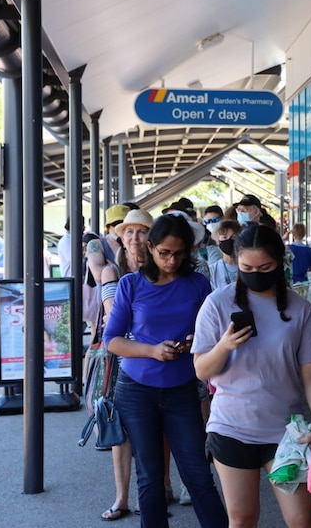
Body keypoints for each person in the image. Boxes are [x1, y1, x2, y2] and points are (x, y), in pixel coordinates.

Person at [193, 223, 311, 528]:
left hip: (287, 431)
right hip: (232, 426)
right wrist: (224, 346)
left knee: (302, 519)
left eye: (265, 266)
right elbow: (201, 370)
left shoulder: (300, 309)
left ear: (280, 262)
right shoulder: (217, 304)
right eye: (246, 267)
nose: (255, 273)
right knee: (242, 519)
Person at [104, 214, 228, 528]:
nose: (172, 260)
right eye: (164, 253)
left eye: (179, 253)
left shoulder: (198, 284)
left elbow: (211, 331)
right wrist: (152, 350)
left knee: (198, 474)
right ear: (151, 248)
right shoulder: (130, 284)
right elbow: (112, 341)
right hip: (136, 390)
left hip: (182, 388)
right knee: (150, 477)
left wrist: (192, 341)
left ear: (189, 251)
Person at [96, 209, 153, 521]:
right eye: (129, 231)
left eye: (141, 231)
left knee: (154, 427)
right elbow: (112, 317)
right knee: (121, 430)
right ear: (120, 235)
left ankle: (152, 494)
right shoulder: (111, 270)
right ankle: (121, 498)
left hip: (154, 355)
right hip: (121, 357)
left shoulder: (159, 267)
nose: (134, 238)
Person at [209, 219, 241, 290]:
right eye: (224, 237)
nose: (229, 240)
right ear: (218, 241)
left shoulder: (247, 266)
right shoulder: (212, 270)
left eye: (234, 237)